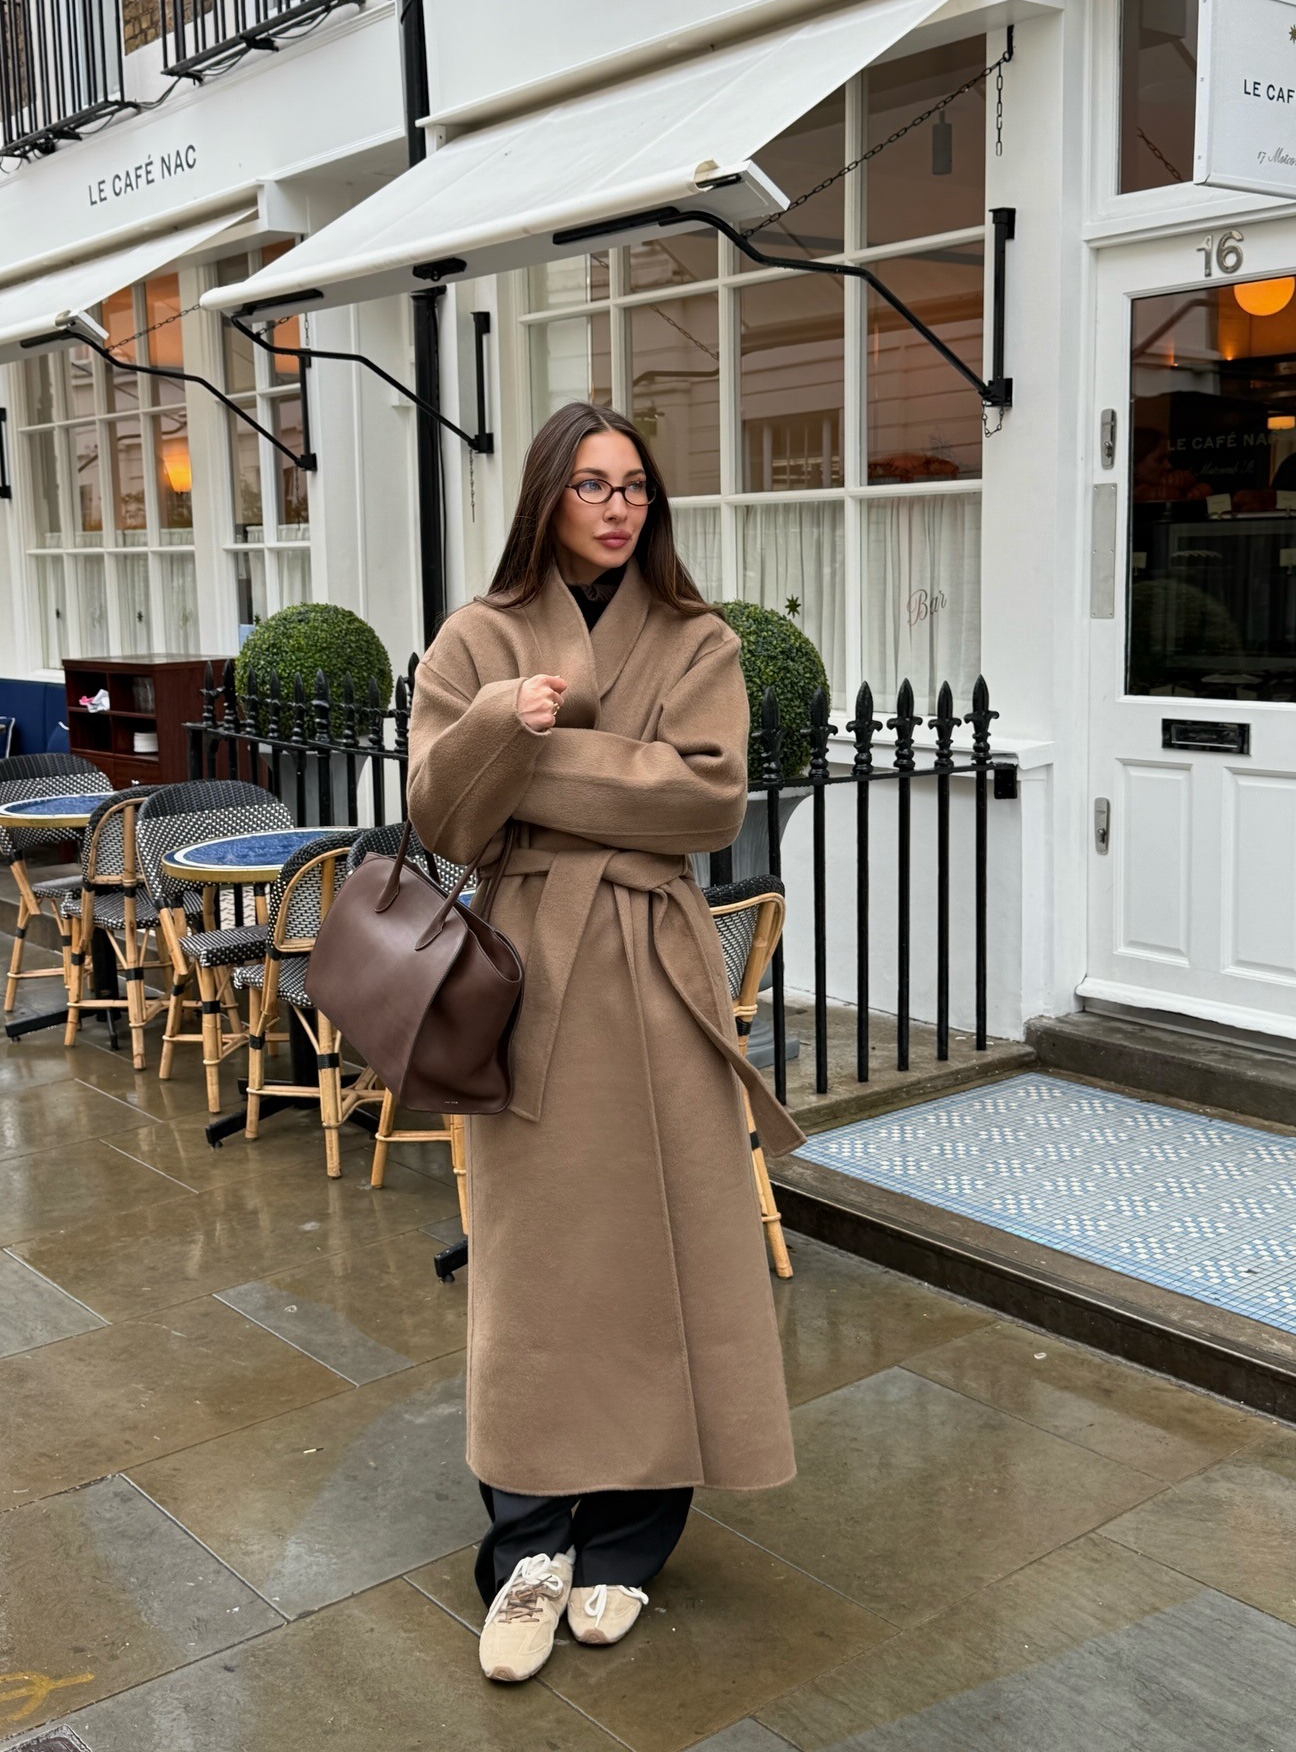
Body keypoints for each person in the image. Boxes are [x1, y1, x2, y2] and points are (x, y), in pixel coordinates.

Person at [406, 400, 803, 1685]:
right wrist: (493, 732)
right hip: (533, 977)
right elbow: (443, 818)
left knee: (672, 1255)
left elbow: (703, 800)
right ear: (547, 496)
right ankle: (529, 1544)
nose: (618, 504)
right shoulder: (476, 637)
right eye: (591, 483)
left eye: (635, 483)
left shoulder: (699, 637)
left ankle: (631, 1541)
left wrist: (538, 756)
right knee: (535, 1269)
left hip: (661, 977)